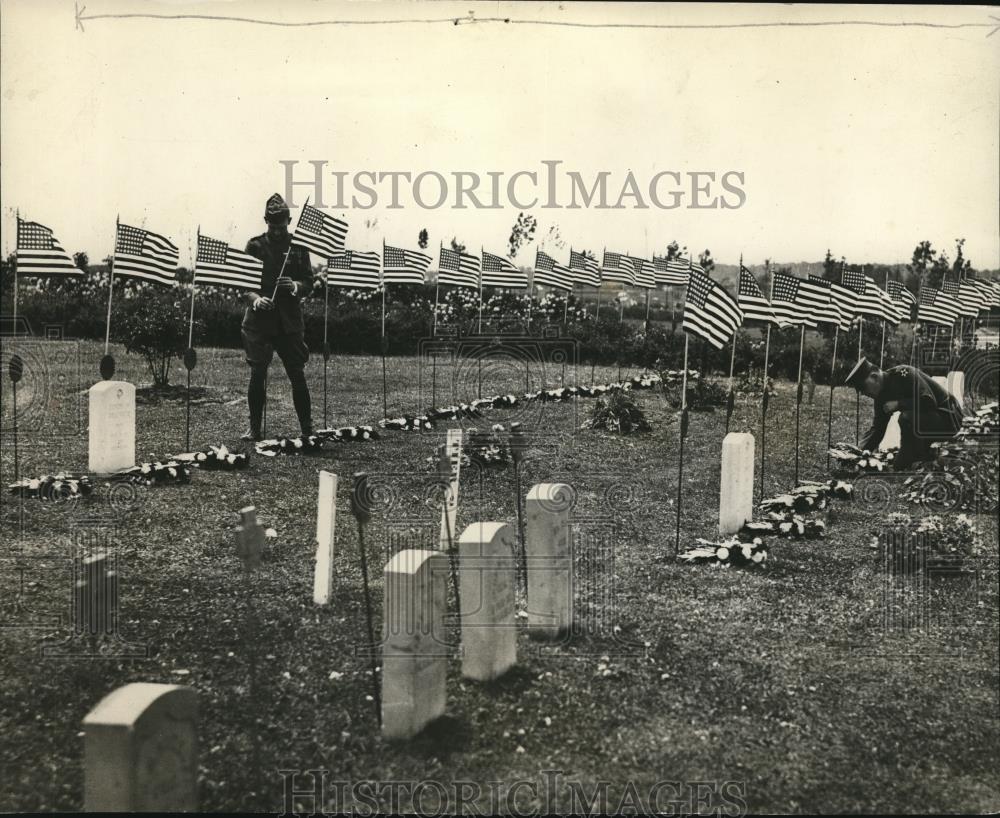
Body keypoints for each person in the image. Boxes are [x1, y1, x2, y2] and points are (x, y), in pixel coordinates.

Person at [240, 193, 315, 441]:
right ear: (265, 221)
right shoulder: (254, 246)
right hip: (259, 323)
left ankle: (307, 429)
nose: (276, 231)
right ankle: (254, 429)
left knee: (297, 374)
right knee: (257, 374)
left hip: (289, 324)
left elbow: (309, 282)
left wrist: (294, 285)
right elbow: (242, 285)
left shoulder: (299, 247)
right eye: (272, 226)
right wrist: (256, 299)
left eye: (281, 227)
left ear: (289, 222)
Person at [844, 357, 963, 469]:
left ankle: (914, 458)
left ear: (874, 377)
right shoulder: (880, 394)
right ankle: (918, 457)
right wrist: (860, 452)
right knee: (899, 462)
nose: (863, 393)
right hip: (931, 424)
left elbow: (929, 402)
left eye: (863, 387)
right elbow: (878, 428)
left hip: (950, 419)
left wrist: (899, 404)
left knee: (907, 418)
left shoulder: (905, 375)